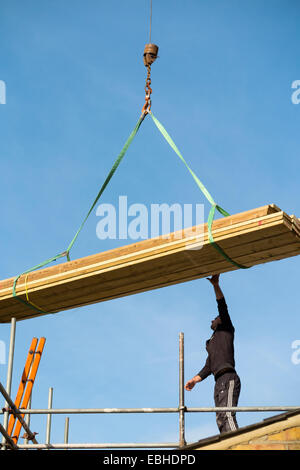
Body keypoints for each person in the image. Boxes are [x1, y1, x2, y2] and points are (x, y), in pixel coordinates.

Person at [184, 274, 241, 434]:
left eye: (214, 318)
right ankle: (227, 443)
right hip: (218, 381)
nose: (211, 320)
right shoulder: (212, 342)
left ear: (221, 320)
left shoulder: (226, 329)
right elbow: (209, 366)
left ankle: (236, 444)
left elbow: (222, 307)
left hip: (228, 377)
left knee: (227, 414)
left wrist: (215, 285)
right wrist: (195, 380)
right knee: (220, 417)